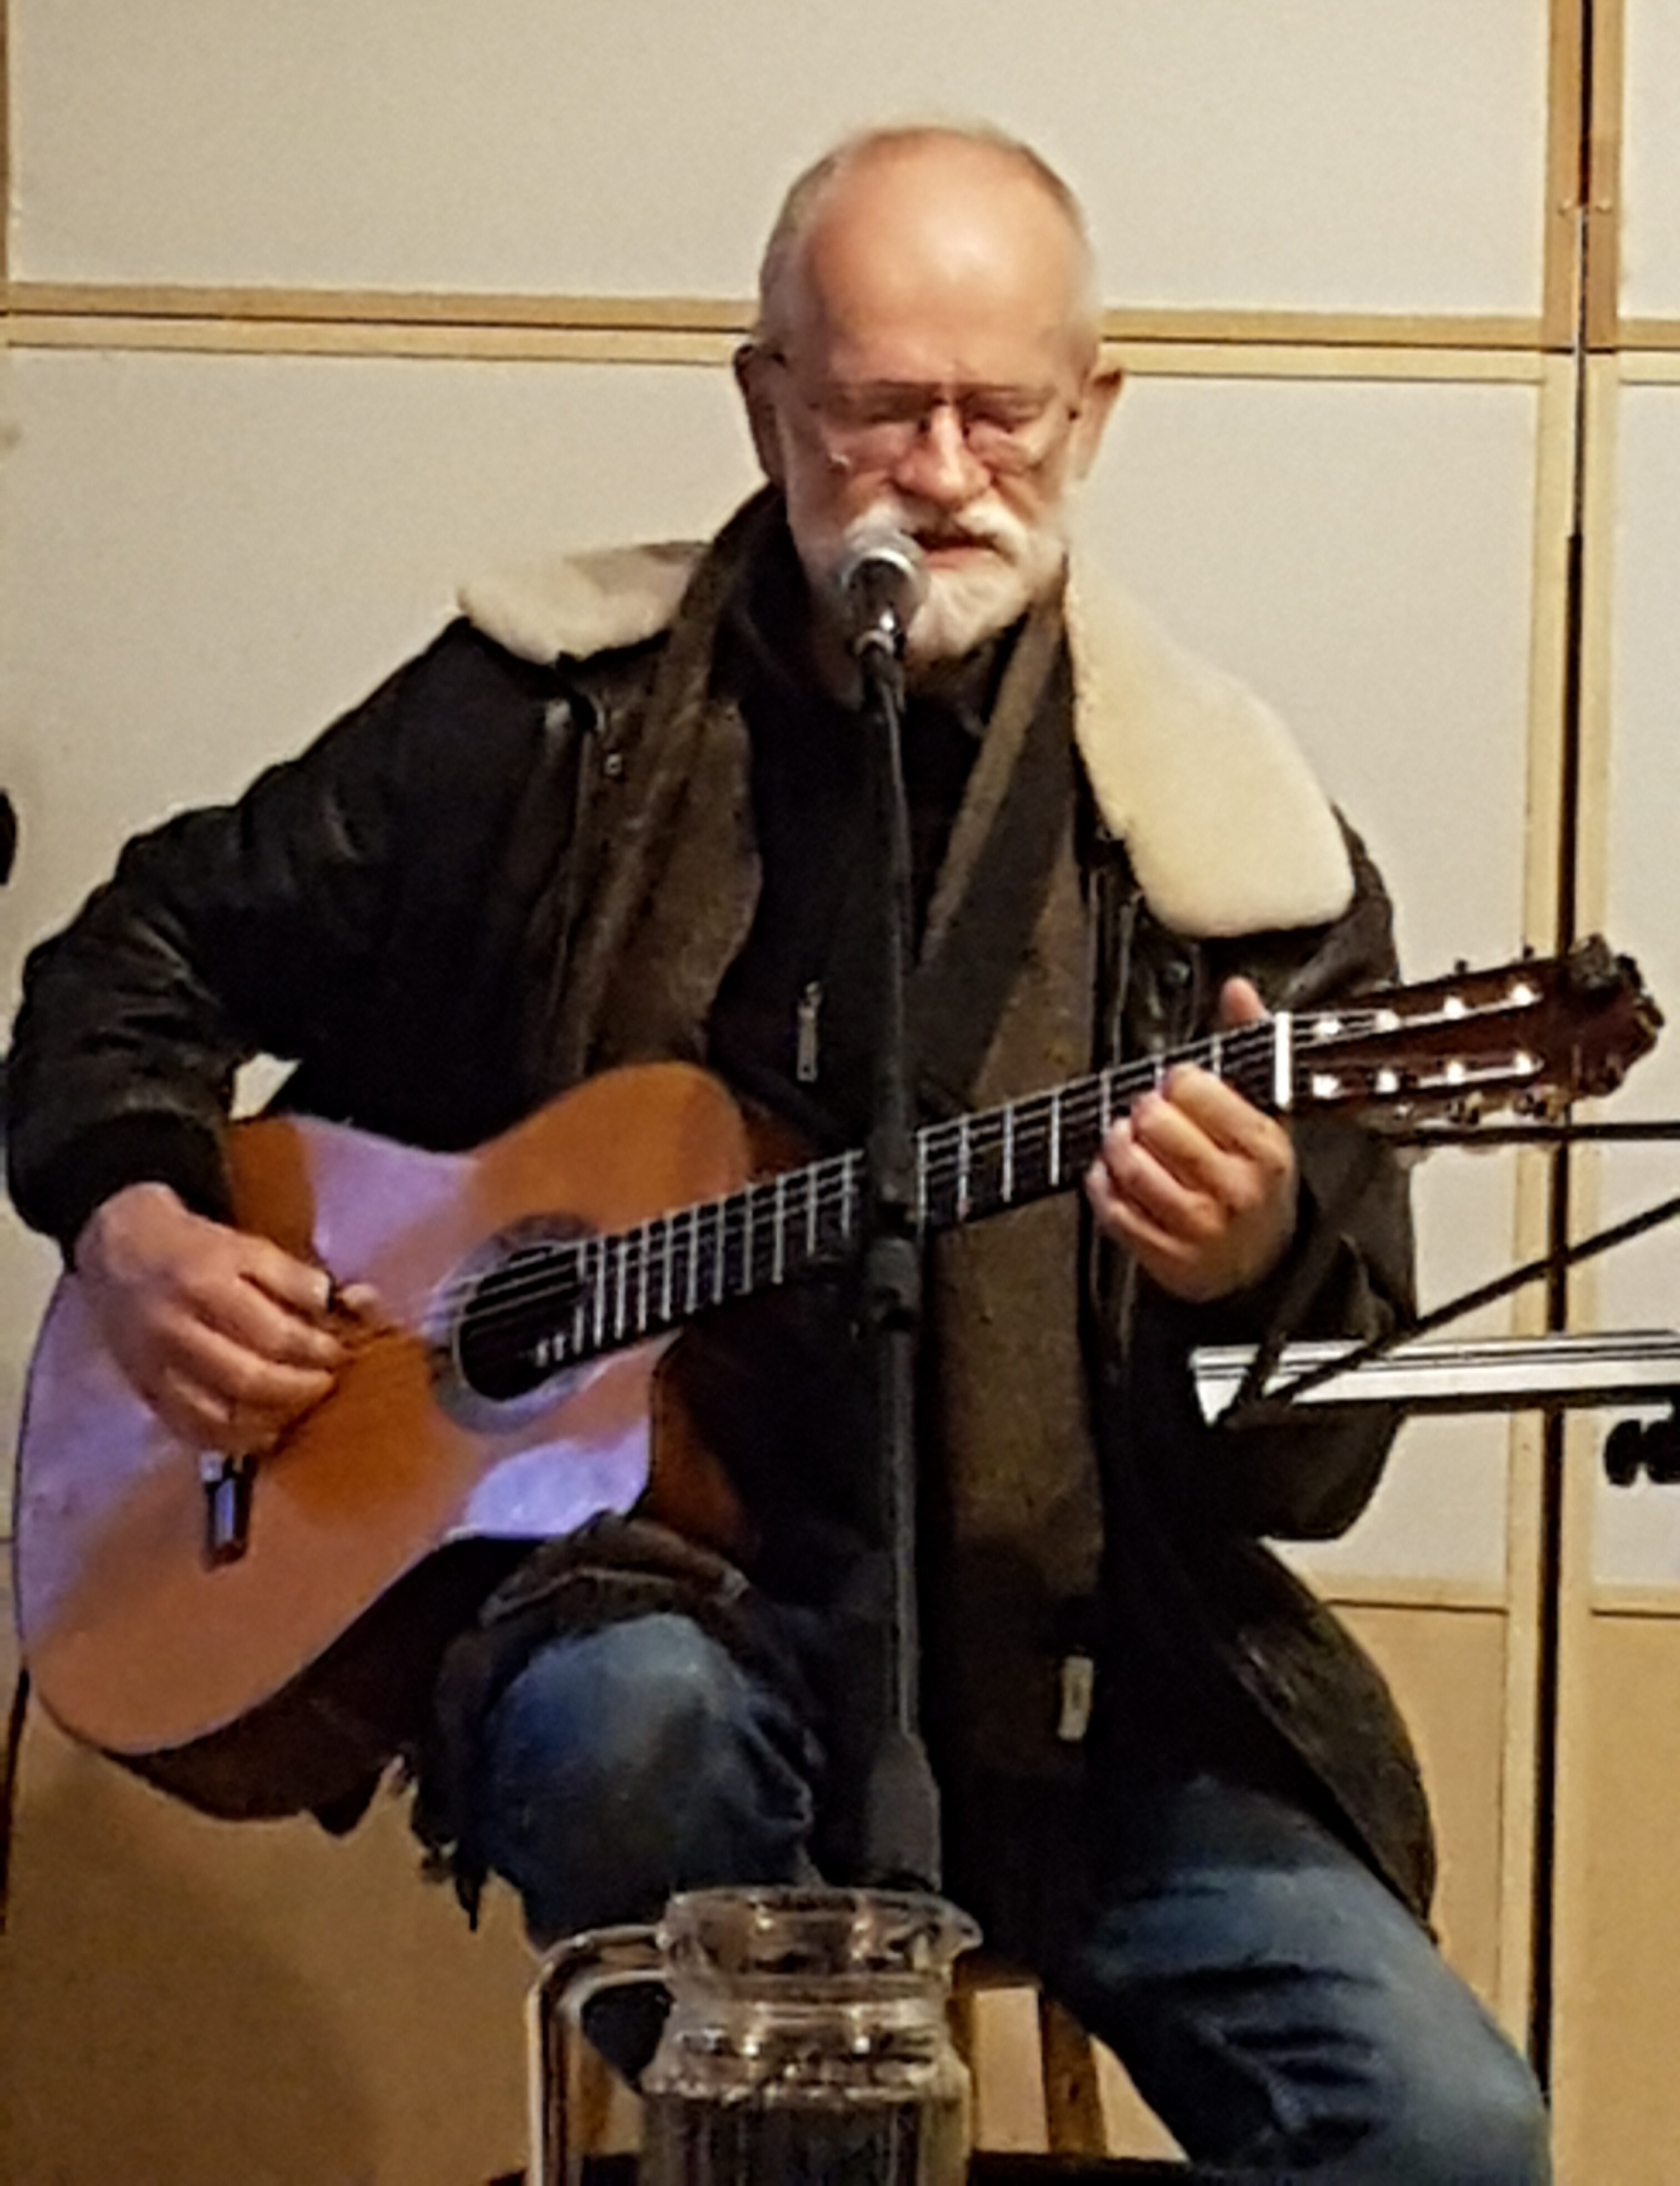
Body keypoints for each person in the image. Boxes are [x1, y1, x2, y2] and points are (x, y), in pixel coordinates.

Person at [4, 123, 1549, 2178]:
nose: (943, 472)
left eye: (1001, 413)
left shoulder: (1231, 860)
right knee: (636, 1731)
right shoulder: (547, 724)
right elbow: (142, 952)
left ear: (1094, 414)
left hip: (1080, 1686)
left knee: (1447, 2131)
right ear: (766, 401)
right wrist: (135, 1223)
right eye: (877, 409)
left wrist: (1244, 1265)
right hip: (635, 1626)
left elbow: (1316, 1466)